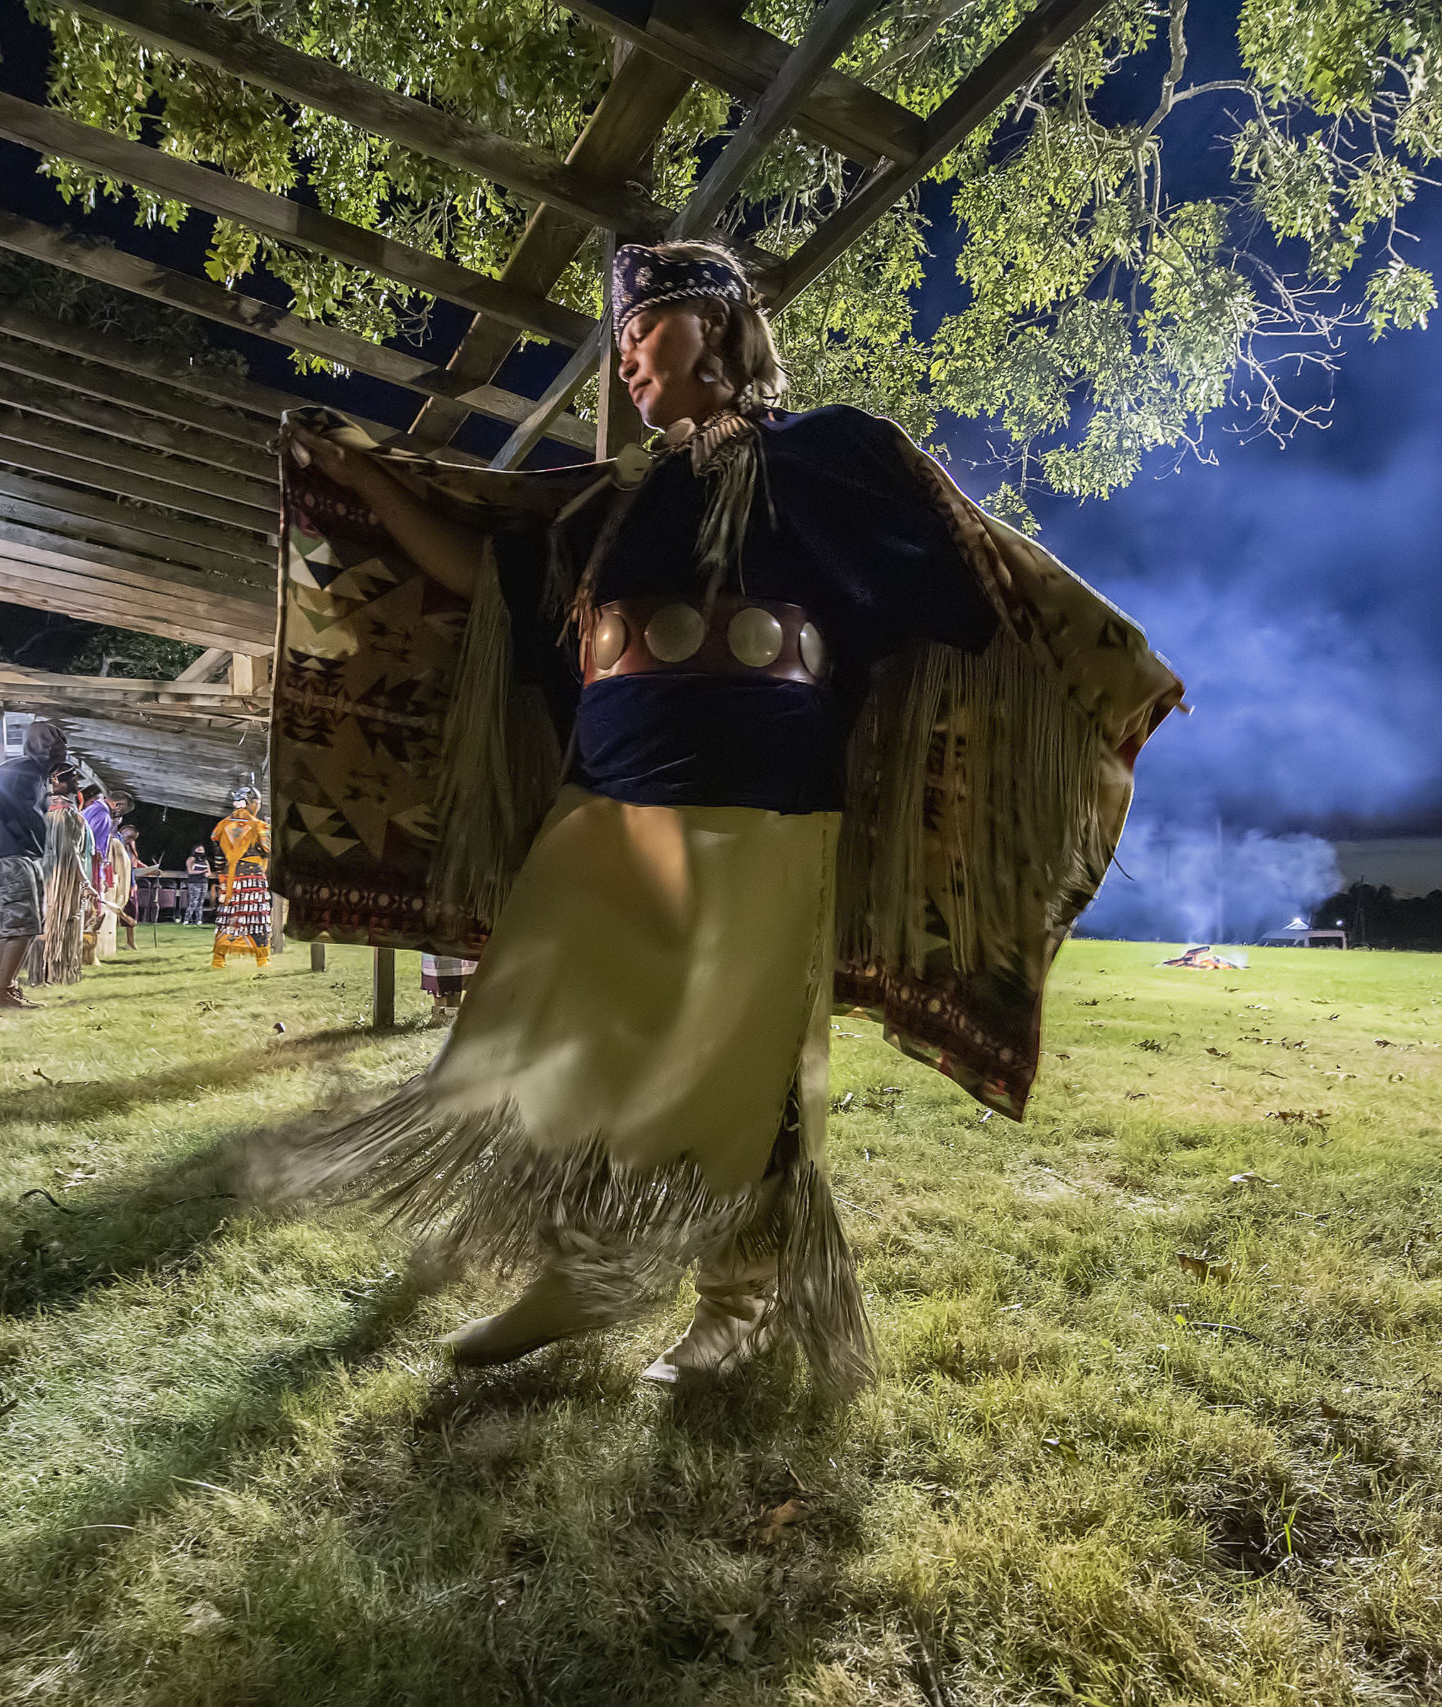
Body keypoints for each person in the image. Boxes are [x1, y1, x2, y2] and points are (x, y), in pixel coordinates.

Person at [271, 240, 1184, 1391]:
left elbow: (967, 579)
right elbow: (485, 583)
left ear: (719, 327)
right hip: (601, 806)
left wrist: (1090, 657)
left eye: (646, 333)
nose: (631, 364)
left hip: (761, 807)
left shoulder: (823, 457)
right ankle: (583, 1263)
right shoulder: (617, 501)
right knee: (542, 1036)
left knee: (735, 1073)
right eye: (623, 344)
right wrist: (372, 487)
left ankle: (741, 1306)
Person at [0, 718, 64, 1010]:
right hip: (10, 855)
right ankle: (2, 989)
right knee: (23, 926)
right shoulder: (16, 770)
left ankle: (8, 986)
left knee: (15, 926)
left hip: (24, 854)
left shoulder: (36, 775)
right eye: (56, 748)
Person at [33, 768, 95, 985]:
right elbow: (70, 850)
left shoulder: (41, 809)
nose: (77, 785)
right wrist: (85, 882)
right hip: (61, 876)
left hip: (46, 873)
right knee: (58, 920)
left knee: (47, 920)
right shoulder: (63, 813)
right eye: (74, 780)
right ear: (57, 781)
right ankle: (54, 973)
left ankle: (43, 974)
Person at [207, 784, 271, 970]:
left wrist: (221, 874)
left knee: (228, 915)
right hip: (252, 876)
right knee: (255, 915)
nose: (258, 806)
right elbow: (268, 851)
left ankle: (219, 959)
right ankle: (262, 959)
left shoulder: (222, 826)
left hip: (230, 878)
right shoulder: (258, 826)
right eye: (257, 803)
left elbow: (218, 856)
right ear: (251, 803)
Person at [178, 843, 213, 925]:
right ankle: (187, 919)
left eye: (202, 850)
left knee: (201, 902)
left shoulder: (205, 860)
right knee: (193, 901)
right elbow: (190, 871)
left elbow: (209, 872)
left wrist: (207, 874)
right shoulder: (191, 859)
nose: (201, 852)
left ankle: (199, 919)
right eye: (199, 850)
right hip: (194, 882)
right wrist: (202, 872)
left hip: (204, 882)